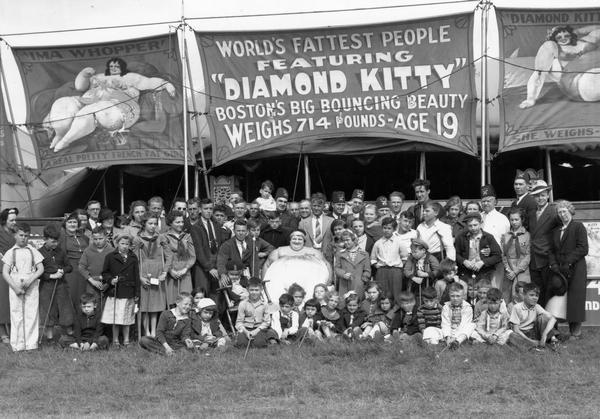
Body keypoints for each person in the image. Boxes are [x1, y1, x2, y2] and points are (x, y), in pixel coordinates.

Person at [45, 56, 177, 152]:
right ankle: (60, 134)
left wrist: (166, 84)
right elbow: (80, 87)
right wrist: (84, 75)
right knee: (64, 103)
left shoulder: (131, 78)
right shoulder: (99, 77)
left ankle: (66, 141)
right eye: (112, 66)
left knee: (95, 111)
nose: (114, 69)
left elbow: (150, 82)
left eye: (117, 66)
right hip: (88, 101)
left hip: (118, 107)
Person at [518, 25, 600, 109]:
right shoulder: (551, 47)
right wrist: (530, 99)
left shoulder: (583, 41)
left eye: (566, 35)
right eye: (559, 37)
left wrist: (578, 31)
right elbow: (539, 73)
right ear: (553, 37)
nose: (563, 38)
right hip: (580, 84)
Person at [549, 200, 589, 339]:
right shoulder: (556, 231)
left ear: (570, 211)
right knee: (558, 298)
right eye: (559, 212)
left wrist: (568, 261)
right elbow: (552, 251)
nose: (562, 214)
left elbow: (583, 248)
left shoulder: (578, 227)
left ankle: (575, 333)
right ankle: (555, 332)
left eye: (564, 211)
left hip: (576, 268)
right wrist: (553, 264)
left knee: (575, 300)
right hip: (560, 269)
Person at [1, 222, 44, 351]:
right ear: (15, 235)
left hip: (31, 284)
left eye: (26, 235)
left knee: (31, 313)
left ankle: (31, 344)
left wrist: (31, 280)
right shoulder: (10, 252)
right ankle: (17, 344)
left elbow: (40, 269)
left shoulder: (33, 251)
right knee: (16, 314)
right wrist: (14, 287)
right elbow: (5, 272)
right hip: (15, 286)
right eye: (21, 235)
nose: (23, 238)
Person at [133, 214, 171, 338]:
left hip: (157, 271)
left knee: (155, 304)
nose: (153, 226)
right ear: (144, 224)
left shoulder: (160, 238)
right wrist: (139, 277)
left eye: (155, 223)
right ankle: (146, 332)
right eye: (150, 223)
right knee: (145, 304)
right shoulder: (138, 239)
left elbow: (169, 256)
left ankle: (153, 331)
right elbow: (135, 259)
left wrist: (165, 272)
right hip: (144, 270)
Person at [101, 234, 139, 347]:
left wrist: (137, 293)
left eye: (127, 244)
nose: (125, 246)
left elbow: (136, 276)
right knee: (115, 317)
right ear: (117, 244)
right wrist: (111, 280)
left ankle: (126, 340)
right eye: (122, 244)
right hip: (115, 292)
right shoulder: (110, 256)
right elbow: (105, 272)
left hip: (128, 291)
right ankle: (116, 340)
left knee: (127, 318)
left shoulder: (133, 257)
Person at [39, 223, 74, 341]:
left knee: (65, 307)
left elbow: (69, 267)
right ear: (45, 239)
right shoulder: (39, 253)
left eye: (57, 241)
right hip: (46, 286)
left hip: (61, 284)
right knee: (48, 308)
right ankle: (49, 336)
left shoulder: (60, 251)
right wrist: (51, 276)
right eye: (53, 241)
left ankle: (69, 333)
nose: (56, 244)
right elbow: (38, 273)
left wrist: (62, 270)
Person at [455, 213, 502, 299]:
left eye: (475, 225)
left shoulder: (488, 237)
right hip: (466, 272)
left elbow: (498, 255)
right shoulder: (461, 237)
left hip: (484, 272)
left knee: (484, 295)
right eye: (470, 226)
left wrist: (483, 262)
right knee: (464, 294)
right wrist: (464, 261)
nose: (473, 228)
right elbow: (455, 254)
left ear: (481, 223)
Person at [528, 181, 561, 306]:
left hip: (548, 259)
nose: (540, 198)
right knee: (537, 294)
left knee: (550, 292)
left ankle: (552, 325)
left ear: (548, 195)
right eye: (537, 196)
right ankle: (540, 323)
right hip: (534, 260)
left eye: (542, 195)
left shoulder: (554, 212)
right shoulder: (531, 214)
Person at [189, 198, 226, 299]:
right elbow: (198, 250)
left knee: (216, 294)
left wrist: (219, 265)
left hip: (216, 264)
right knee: (202, 293)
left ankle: (215, 314)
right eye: (206, 208)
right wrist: (209, 268)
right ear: (200, 210)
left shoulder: (217, 225)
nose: (209, 211)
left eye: (210, 208)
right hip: (202, 265)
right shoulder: (196, 227)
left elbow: (220, 247)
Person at [508, 283, 559, 351]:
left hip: (534, 332)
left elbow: (553, 318)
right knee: (512, 336)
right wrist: (530, 341)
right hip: (522, 333)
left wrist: (544, 335)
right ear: (524, 295)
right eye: (531, 295)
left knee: (543, 318)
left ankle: (546, 342)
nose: (535, 298)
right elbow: (516, 330)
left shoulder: (537, 307)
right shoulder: (517, 307)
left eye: (536, 296)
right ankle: (533, 347)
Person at [59, 212, 90, 312]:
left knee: (83, 296)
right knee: (71, 296)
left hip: (83, 271)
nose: (72, 224)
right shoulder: (62, 237)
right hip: (70, 271)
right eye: (70, 222)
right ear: (65, 224)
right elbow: (61, 255)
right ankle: (70, 324)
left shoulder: (84, 237)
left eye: (75, 222)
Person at [164, 210, 196, 307]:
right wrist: (170, 271)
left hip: (185, 272)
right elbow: (164, 256)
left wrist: (185, 269)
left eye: (182, 222)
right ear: (170, 223)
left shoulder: (187, 236)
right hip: (172, 273)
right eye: (177, 222)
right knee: (172, 302)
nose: (181, 224)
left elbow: (192, 256)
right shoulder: (165, 237)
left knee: (186, 300)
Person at [235, 278, 277, 348]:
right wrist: (246, 332)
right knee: (242, 344)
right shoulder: (243, 304)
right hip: (246, 328)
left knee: (259, 344)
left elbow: (266, 322)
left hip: (259, 328)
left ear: (261, 290)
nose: (254, 292)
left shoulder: (264, 305)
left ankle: (268, 338)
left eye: (256, 290)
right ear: (247, 289)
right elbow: (239, 322)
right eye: (251, 290)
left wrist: (256, 331)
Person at [78, 226, 113, 310]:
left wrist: (108, 283)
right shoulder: (88, 250)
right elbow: (81, 267)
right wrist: (92, 281)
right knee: (92, 306)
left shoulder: (112, 251)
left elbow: (115, 268)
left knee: (106, 308)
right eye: (95, 239)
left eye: (100, 238)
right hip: (92, 284)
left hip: (108, 283)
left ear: (106, 237)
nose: (98, 241)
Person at [501, 208, 531, 303]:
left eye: (516, 219)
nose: (514, 222)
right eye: (512, 220)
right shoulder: (506, 236)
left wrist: (516, 271)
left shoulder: (527, 235)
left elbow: (528, 255)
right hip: (509, 271)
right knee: (506, 297)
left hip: (522, 271)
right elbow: (503, 254)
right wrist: (508, 269)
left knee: (522, 296)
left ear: (522, 220)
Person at [370, 217, 404, 299]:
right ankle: (382, 310)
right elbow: (373, 258)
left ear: (394, 229)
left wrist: (400, 267)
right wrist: (376, 265)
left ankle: (396, 310)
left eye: (389, 228)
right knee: (382, 292)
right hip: (382, 270)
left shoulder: (399, 242)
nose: (386, 230)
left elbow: (404, 256)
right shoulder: (378, 243)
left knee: (396, 292)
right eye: (384, 228)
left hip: (395, 270)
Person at [335, 229, 371, 305]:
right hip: (344, 284)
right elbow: (337, 268)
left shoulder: (364, 254)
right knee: (344, 303)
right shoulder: (340, 254)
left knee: (357, 303)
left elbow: (367, 269)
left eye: (348, 240)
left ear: (354, 240)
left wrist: (363, 280)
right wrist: (343, 274)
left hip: (358, 283)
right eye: (344, 240)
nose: (345, 242)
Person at [0, 208, 18, 343]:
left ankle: (12, 330)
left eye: (15, 219)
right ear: (4, 220)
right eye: (11, 220)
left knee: (12, 302)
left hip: (15, 271)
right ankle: (2, 333)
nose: (14, 222)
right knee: (3, 302)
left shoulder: (15, 233)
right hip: (1, 270)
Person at [403, 238, 440, 303]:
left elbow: (438, 271)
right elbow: (406, 270)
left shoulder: (431, 258)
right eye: (412, 252)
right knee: (415, 298)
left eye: (415, 252)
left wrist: (426, 274)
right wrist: (413, 277)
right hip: (415, 284)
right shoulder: (411, 258)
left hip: (428, 283)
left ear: (423, 250)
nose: (413, 254)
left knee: (427, 297)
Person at [440, 283, 475, 349]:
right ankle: (448, 340)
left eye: (458, 296)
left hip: (461, 332)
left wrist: (455, 337)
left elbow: (464, 324)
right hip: (450, 330)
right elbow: (445, 323)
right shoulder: (446, 307)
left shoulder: (467, 307)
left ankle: (457, 342)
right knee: (433, 330)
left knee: (471, 325)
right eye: (452, 296)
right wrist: (448, 336)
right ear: (449, 296)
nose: (455, 298)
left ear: (463, 296)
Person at [480, 185, 510, 254]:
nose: (486, 203)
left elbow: (505, 241)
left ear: (495, 202)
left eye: (489, 201)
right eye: (483, 201)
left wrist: (493, 251)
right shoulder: (478, 216)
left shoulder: (502, 219)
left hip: (495, 255)